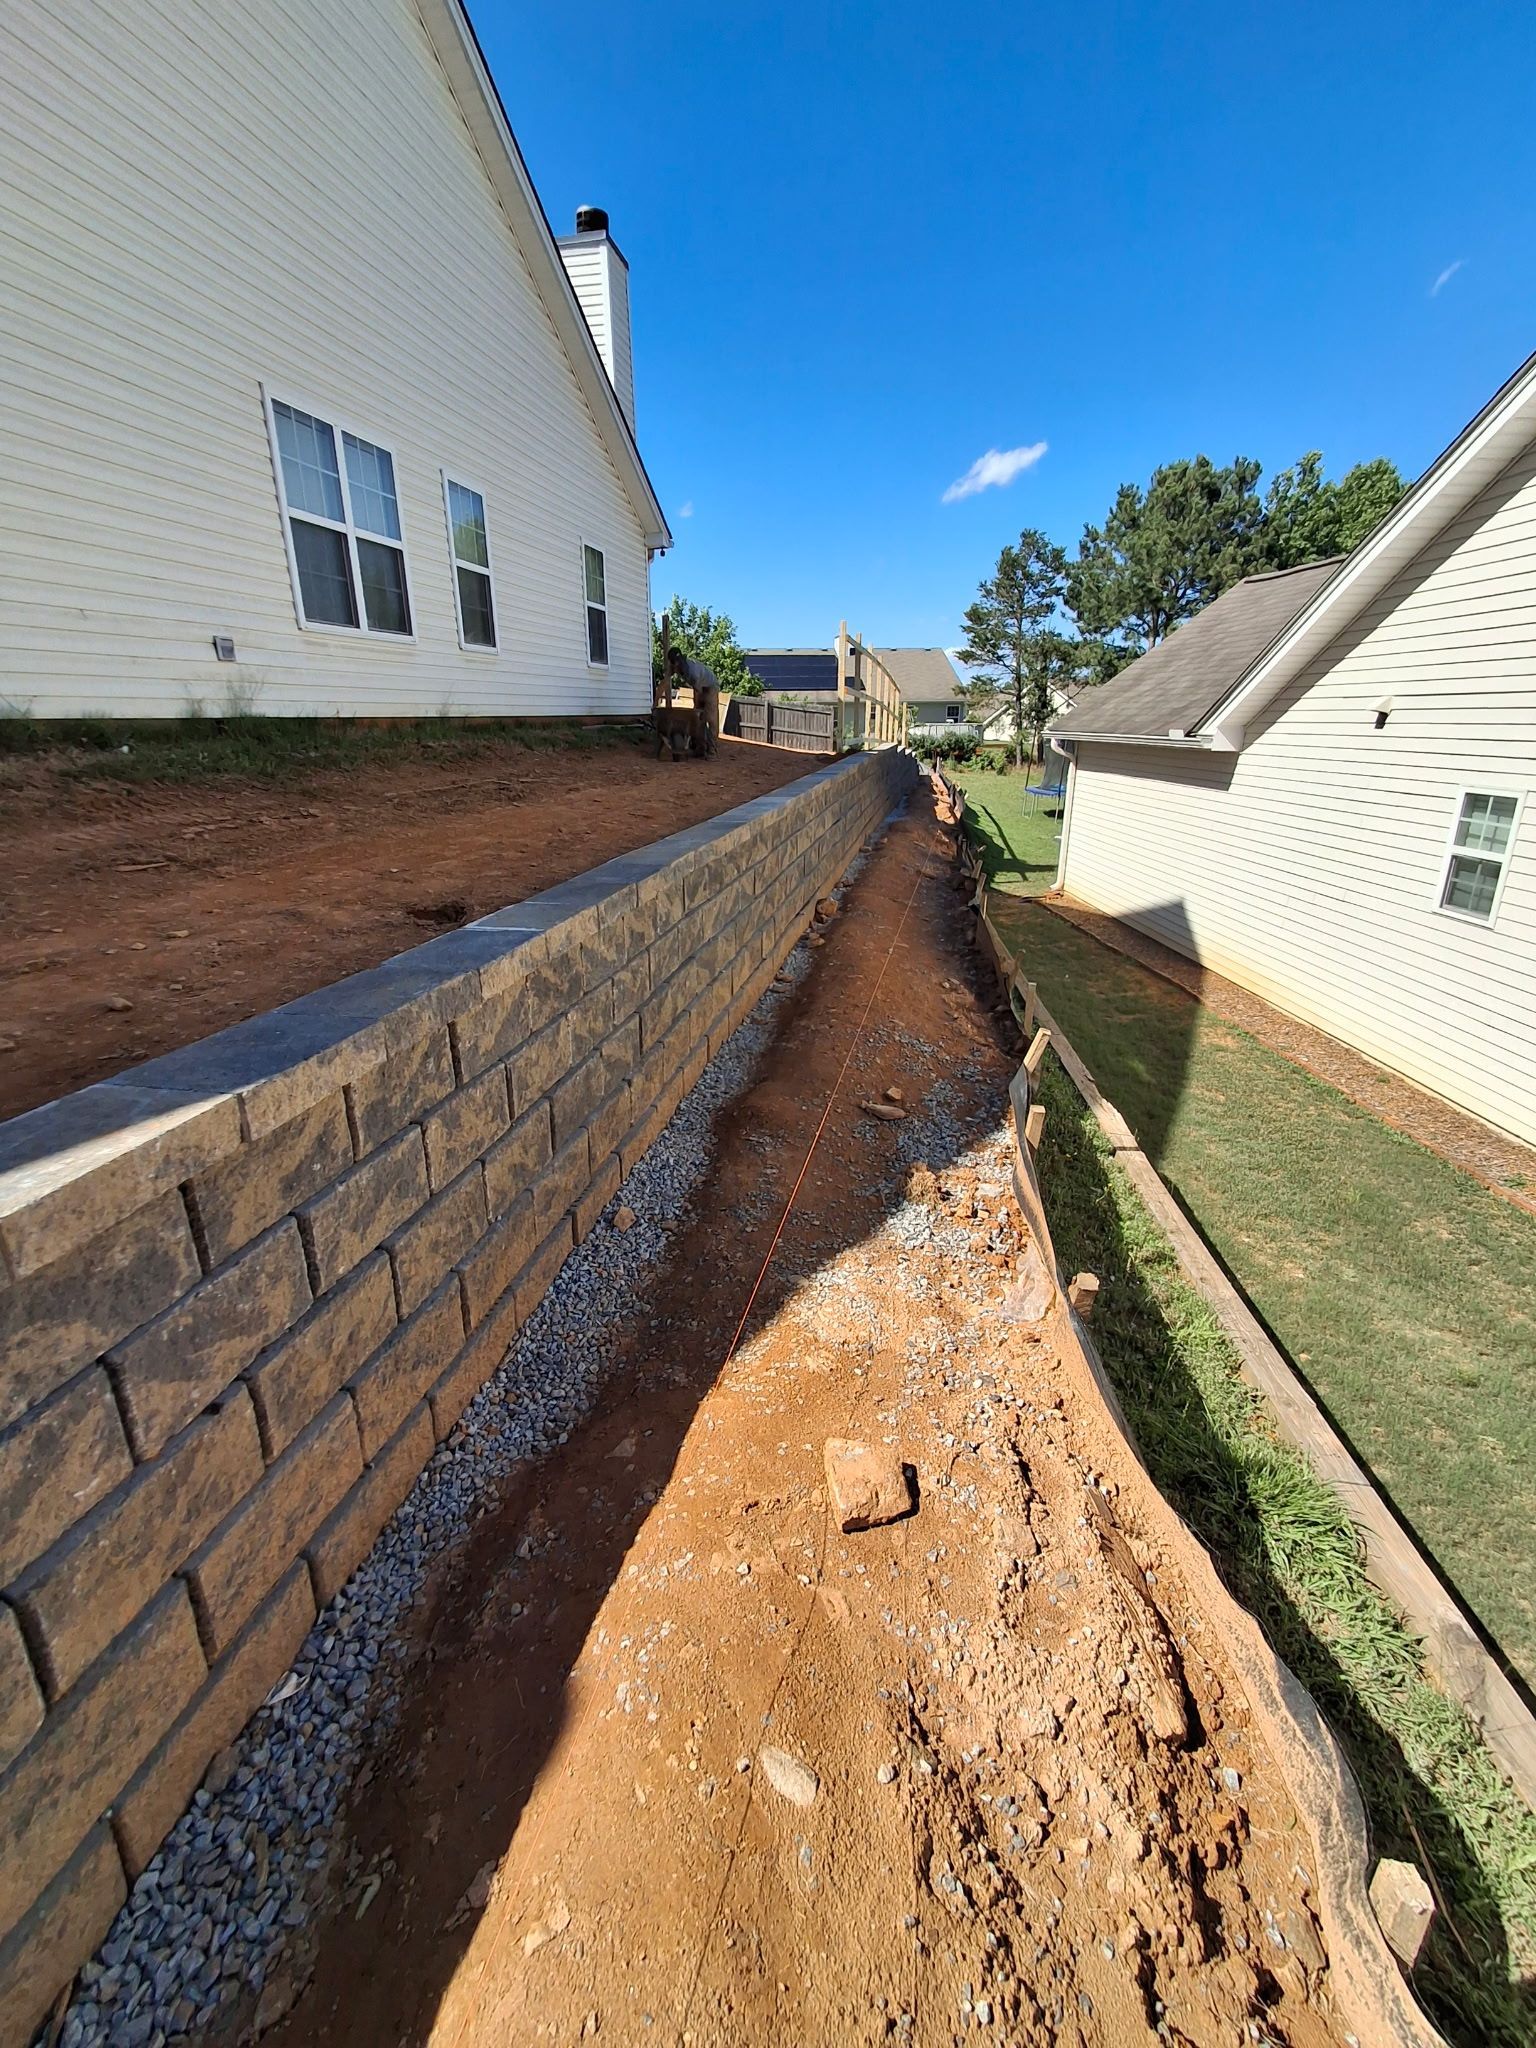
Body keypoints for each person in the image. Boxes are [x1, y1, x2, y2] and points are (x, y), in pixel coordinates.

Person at [664, 646, 720, 756]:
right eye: (673, 663)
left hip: (710, 686)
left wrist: (696, 707)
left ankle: (712, 751)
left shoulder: (692, 671)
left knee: (710, 718)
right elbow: (665, 682)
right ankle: (700, 749)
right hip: (699, 687)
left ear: (679, 662)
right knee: (699, 720)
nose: (675, 666)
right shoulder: (674, 667)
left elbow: (697, 691)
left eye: (676, 663)